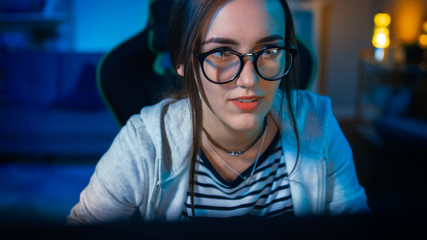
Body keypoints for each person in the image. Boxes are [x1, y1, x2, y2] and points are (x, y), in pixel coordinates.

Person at [67, 0, 370, 224]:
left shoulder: (317, 122)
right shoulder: (142, 143)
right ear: (183, 62)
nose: (249, 80)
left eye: (269, 51)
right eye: (222, 53)